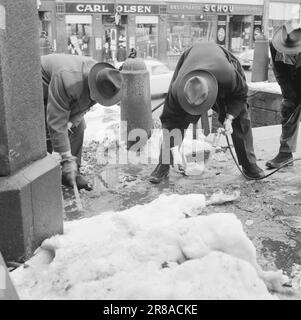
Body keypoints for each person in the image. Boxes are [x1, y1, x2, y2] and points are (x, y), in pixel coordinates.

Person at [149, 41, 264, 184]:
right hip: (190, 58)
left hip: (220, 62)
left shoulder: (228, 76)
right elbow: (169, 121)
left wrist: (229, 117)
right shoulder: (177, 90)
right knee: (174, 124)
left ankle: (249, 164)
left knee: (240, 119)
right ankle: (163, 165)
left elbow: (240, 96)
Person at [41, 54, 122, 190]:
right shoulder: (68, 80)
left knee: (78, 127)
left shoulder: (104, 79)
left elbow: (85, 107)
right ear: (92, 87)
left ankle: (73, 172)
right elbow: (56, 121)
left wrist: (72, 122)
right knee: (48, 130)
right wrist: (66, 157)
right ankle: (50, 172)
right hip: (39, 85)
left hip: (72, 87)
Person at [266, 20, 301, 169]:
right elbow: (279, 71)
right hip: (292, 80)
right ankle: (285, 154)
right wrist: (288, 91)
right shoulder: (274, 44)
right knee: (288, 108)